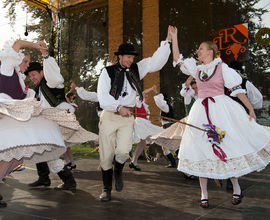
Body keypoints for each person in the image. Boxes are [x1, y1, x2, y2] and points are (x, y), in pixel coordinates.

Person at [170, 26, 270, 208]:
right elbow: (178, 59)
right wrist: (174, 38)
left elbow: (237, 91)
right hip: (201, 111)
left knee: (227, 146)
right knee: (199, 148)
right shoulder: (197, 69)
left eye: (201, 48)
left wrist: (250, 109)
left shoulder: (222, 67)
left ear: (210, 51)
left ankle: (236, 187)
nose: (198, 51)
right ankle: (204, 193)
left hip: (221, 109)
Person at [97, 29, 171, 202]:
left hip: (127, 117)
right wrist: (118, 106)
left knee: (123, 151)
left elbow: (155, 62)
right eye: (128, 57)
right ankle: (106, 188)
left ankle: (119, 172)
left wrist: (167, 41)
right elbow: (102, 98)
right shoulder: (106, 72)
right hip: (109, 115)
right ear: (120, 57)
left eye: (132, 57)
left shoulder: (137, 69)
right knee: (106, 154)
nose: (131, 60)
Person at [0, 40, 67, 207]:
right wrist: (37, 46)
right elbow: (17, 43)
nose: (27, 65)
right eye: (26, 61)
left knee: (17, 157)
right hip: (5, 118)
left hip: (13, 121)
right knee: (12, 156)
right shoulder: (7, 68)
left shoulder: (19, 80)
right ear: (16, 58)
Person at [25, 41, 98, 191]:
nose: (31, 77)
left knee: (46, 149)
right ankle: (45, 178)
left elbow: (55, 76)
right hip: (49, 122)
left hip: (59, 120)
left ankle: (67, 180)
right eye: (30, 75)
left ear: (42, 72)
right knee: (40, 146)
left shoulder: (51, 82)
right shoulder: (37, 90)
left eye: (33, 74)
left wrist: (45, 55)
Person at [129, 85, 165, 171]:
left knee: (142, 144)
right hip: (141, 124)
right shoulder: (138, 102)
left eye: (147, 96)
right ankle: (133, 161)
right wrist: (152, 89)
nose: (146, 97)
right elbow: (143, 93)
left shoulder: (144, 105)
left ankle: (134, 162)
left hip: (145, 124)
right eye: (145, 96)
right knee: (157, 133)